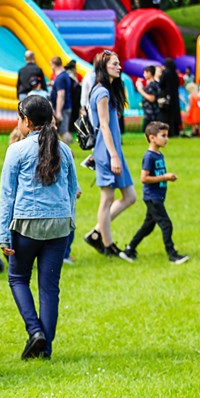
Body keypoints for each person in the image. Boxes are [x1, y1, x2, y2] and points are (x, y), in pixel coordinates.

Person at [0, 95, 79, 359]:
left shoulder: (17, 150)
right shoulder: (64, 149)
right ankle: (46, 348)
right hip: (59, 227)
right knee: (49, 287)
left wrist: (2, 236)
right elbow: (72, 190)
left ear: (27, 121)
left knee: (18, 278)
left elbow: (7, 195)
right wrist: (70, 226)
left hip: (26, 225)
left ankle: (35, 331)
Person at [83, 51, 136, 257]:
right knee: (107, 198)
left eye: (119, 63)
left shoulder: (108, 90)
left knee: (130, 196)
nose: (119, 66)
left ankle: (97, 232)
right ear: (103, 67)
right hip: (107, 151)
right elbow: (103, 126)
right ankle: (108, 245)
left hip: (114, 149)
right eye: (115, 63)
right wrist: (113, 156)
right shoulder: (102, 92)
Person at [120, 122, 189, 264]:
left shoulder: (159, 154)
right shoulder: (149, 156)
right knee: (166, 224)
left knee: (147, 227)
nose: (166, 139)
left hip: (158, 196)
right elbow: (144, 178)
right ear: (152, 138)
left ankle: (129, 250)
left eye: (167, 136)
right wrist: (165, 177)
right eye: (163, 136)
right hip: (153, 197)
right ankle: (172, 255)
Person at [157, 58, 182, 137]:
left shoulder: (165, 72)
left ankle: (169, 132)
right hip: (174, 97)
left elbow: (161, 84)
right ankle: (175, 131)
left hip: (166, 96)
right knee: (174, 115)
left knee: (166, 115)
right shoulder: (175, 73)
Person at [136, 65, 161, 131]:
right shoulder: (156, 84)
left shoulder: (152, 85)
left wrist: (140, 90)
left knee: (148, 131)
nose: (143, 75)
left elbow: (151, 98)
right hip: (153, 112)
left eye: (145, 73)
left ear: (149, 73)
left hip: (151, 113)